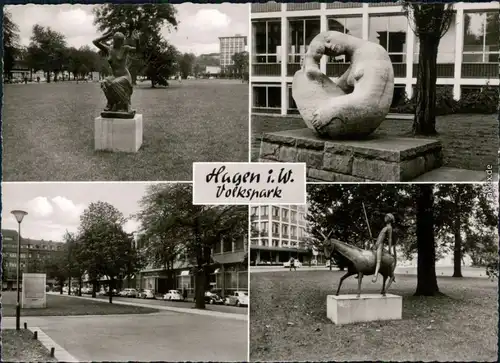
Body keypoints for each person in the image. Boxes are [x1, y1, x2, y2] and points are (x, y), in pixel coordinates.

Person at [92, 31, 137, 113]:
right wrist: (106, 36)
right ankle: (111, 103)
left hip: (125, 76)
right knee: (104, 82)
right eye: (118, 41)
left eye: (121, 41)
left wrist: (137, 40)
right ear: (114, 40)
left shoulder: (125, 48)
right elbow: (95, 42)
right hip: (115, 76)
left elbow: (137, 49)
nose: (120, 43)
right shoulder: (109, 49)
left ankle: (127, 105)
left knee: (115, 83)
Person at [372, 213, 395, 283]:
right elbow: (380, 237)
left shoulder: (389, 228)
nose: (385, 218)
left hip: (380, 245)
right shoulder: (384, 227)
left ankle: (375, 276)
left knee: (378, 261)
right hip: (376, 244)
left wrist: (390, 250)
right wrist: (373, 238)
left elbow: (390, 239)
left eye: (386, 217)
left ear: (389, 219)